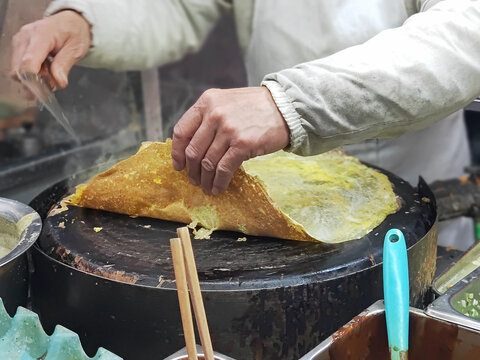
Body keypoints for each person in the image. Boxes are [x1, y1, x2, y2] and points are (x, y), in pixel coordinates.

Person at [10, 0, 480, 249]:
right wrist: (86, 19)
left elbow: (463, 32)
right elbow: (178, 6)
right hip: (271, 174)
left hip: (408, 196)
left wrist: (289, 103)